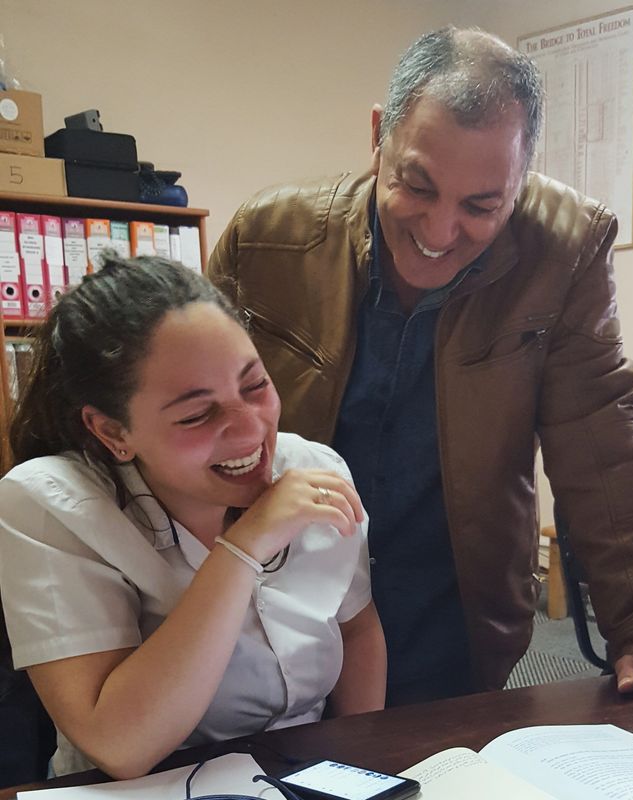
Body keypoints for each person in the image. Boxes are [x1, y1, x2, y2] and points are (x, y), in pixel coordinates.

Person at [208, 26, 633, 714]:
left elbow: (597, 442)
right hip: (279, 596)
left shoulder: (564, 249)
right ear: (379, 135)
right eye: (416, 185)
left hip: (453, 600)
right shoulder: (270, 237)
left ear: (523, 173)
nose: (440, 233)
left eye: (482, 206)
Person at [0, 256, 386, 779]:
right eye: (197, 415)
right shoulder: (46, 504)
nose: (250, 431)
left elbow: (358, 629)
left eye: (255, 386)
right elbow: (121, 745)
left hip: (298, 774)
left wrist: (362, 767)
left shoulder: (314, 468)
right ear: (113, 432)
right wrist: (243, 547)